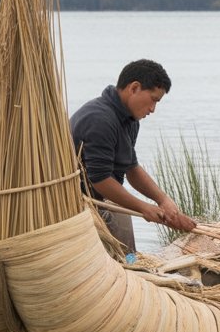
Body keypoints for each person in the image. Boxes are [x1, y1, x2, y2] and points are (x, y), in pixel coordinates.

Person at [70, 58, 190, 252]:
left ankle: (131, 263)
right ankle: (126, 265)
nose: (153, 109)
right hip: (78, 206)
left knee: (129, 255)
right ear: (134, 88)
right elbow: (100, 179)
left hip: (102, 201)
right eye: (153, 100)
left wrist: (163, 201)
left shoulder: (130, 119)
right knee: (119, 243)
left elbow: (131, 168)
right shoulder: (99, 119)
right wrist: (144, 208)